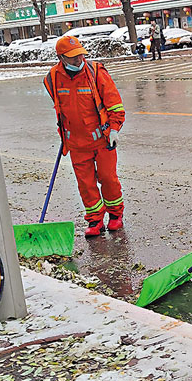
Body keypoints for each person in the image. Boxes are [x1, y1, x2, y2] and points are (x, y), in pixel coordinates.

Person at [44, 35, 126, 236]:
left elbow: (114, 103)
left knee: (108, 178)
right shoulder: (52, 78)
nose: (78, 60)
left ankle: (116, 215)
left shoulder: (96, 72)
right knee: (86, 184)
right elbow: (60, 110)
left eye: (80, 55)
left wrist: (114, 129)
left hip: (102, 139)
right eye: (72, 57)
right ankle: (95, 219)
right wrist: (64, 136)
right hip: (76, 142)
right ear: (61, 58)